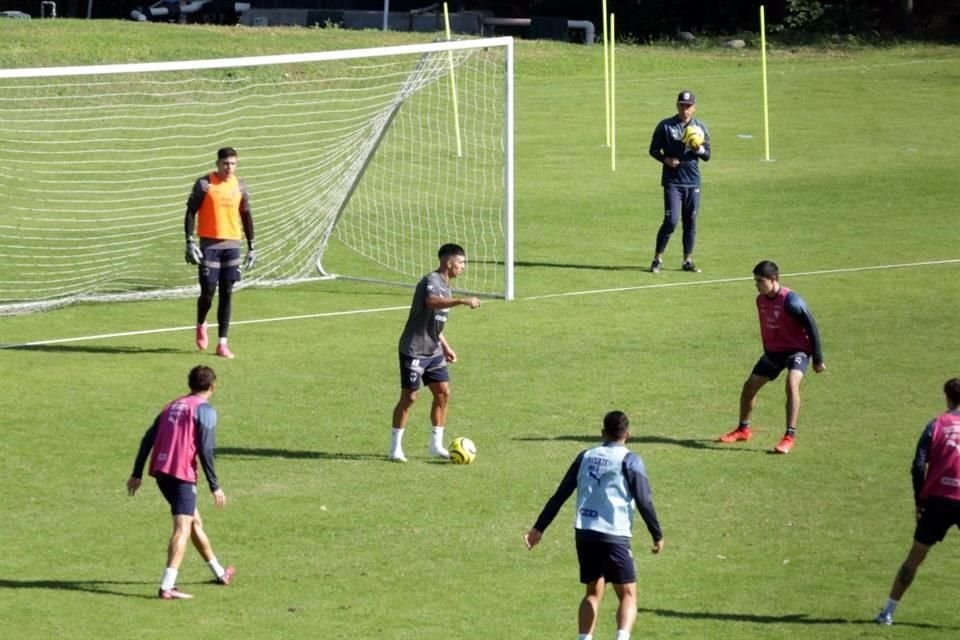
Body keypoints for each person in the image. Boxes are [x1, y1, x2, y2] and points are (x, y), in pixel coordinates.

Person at [524, 411, 664, 640]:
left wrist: (538, 528)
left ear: (603, 433)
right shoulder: (630, 460)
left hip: (585, 532)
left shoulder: (585, 456)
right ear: (628, 434)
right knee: (628, 594)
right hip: (614, 534)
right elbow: (644, 501)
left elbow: (560, 495)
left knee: (592, 591)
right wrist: (656, 534)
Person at [127, 365, 235, 600]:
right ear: (212, 387)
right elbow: (206, 449)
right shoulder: (204, 410)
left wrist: (137, 473)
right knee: (182, 528)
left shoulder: (172, 405)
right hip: (181, 475)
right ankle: (167, 586)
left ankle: (219, 573)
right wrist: (214, 485)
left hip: (161, 472)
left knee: (194, 522)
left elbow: (148, 438)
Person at [875, 378, 960, 626]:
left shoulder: (936, 425)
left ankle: (888, 612)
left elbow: (918, 465)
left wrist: (919, 499)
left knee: (915, 557)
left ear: (947, 397)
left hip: (937, 500)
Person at [718, 260, 826, 454]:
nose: (756, 284)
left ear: (773, 279)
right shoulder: (760, 300)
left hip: (797, 351)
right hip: (774, 352)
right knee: (749, 387)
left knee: (791, 384)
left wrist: (817, 359)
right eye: (755, 280)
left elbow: (812, 326)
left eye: (760, 280)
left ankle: (789, 437)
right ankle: (743, 429)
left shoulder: (792, 302)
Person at [389, 243, 480, 462]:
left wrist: (445, 346)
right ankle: (395, 448)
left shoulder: (447, 286)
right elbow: (431, 303)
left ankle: (435, 444)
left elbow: (434, 324)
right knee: (409, 397)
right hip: (414, 350)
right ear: (449, 262)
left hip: (433, 350)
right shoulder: (430, 281)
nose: (463, 267)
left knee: (443, 393)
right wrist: (461, 300)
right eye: (461, 262)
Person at [184, 146, 256, 359]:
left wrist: (252, 246)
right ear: (217, 164)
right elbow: (190, 211)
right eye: (225, 164)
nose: (229, 168)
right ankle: (201, 322)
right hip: (209, 246)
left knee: (227, 292)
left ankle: (222, 343)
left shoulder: (240, 186)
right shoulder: (204, 184)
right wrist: (189, 241)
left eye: (233, 164)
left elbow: (246, 215)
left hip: (233, 245)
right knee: (208, 292)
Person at [647, 90, 711, 274]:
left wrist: (698, 149)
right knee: (671, 220)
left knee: (690, 220)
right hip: (672, 182)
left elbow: (707, 156)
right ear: (677, 105)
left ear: (694, 107)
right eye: (682, 105)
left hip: (693, 181)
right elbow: (653, 150)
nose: (685, 109)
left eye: (688, 106)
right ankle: (657, 258)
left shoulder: (701, 128)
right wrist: (665, 160)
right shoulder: (666, 126)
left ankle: (687, 260)